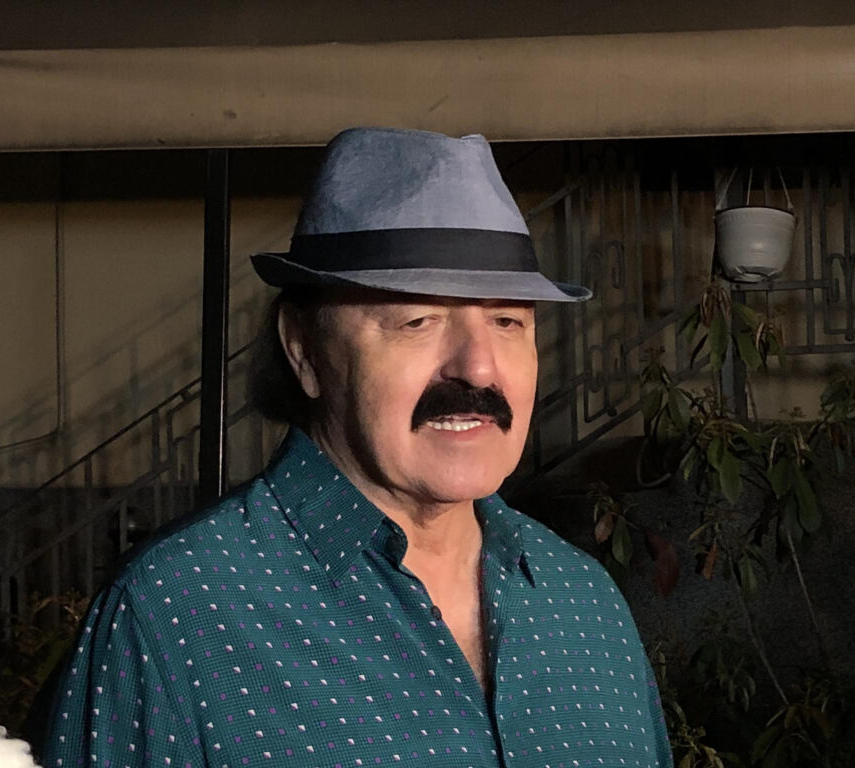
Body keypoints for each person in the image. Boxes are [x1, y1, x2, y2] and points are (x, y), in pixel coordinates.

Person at [36, 127, 672, 767]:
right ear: (303, 349)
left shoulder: (583, 602)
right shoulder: (178, 611)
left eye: (508, 321)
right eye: (417, 320)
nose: (478, 368)